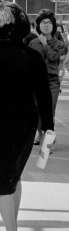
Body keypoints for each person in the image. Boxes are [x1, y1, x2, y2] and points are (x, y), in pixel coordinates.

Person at [0, 1, 53, 231]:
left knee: (1, 182)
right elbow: (44, 96)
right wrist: (48, 129)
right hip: (26, 122)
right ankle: (14, 228)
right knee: (14, 176)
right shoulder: (33, 56)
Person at [29, 10, 67, 149]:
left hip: (52, 80)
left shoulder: (59, 44)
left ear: (53, 25)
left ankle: (48, 138)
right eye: (43, 23)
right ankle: (40, 134)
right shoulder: (32, 43)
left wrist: (45, 44)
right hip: (36, 80)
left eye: (49, 23)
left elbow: (53, 57)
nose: (46, 25)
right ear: (38, 25)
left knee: (50, 109)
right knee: (37, 108)